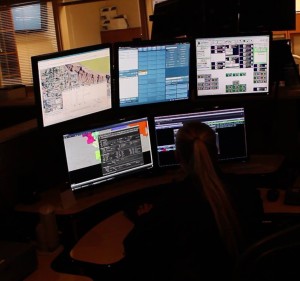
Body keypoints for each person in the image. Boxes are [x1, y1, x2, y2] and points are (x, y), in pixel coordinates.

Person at [118, 121, 264, 281]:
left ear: (177, 156)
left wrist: (145, 218)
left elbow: (132, 246)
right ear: (216, 151)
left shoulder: (173, 202)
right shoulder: (246, 190)